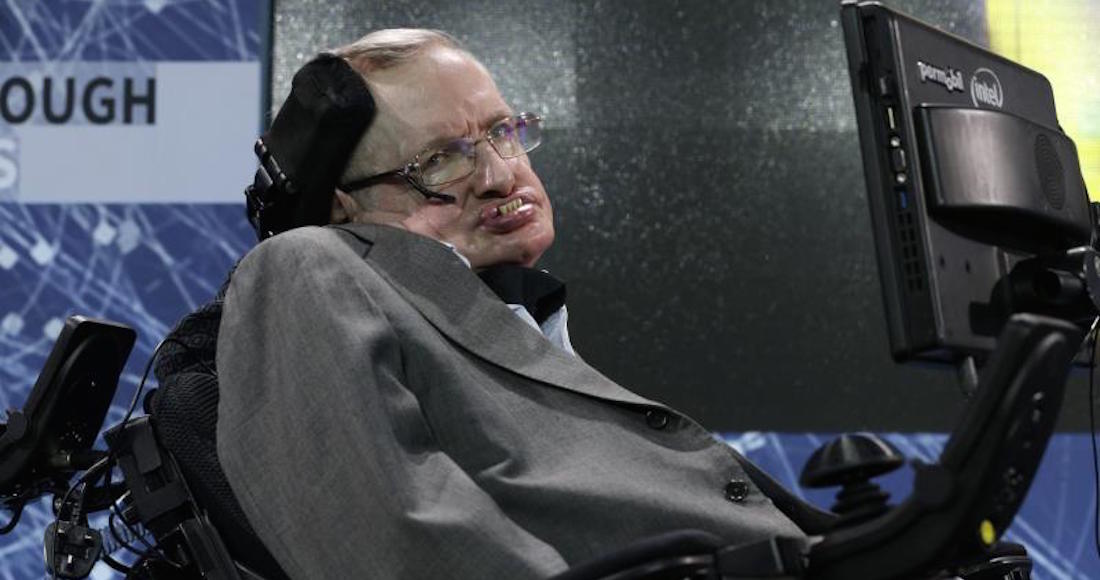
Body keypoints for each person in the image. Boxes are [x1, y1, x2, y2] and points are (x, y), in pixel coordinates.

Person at [203, 29, 831, 579]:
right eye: (440, 161)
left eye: (502, 132)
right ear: (345, 206)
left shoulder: (516, 323)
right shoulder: (302, 264)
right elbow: (397, 543)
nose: (502, 175)